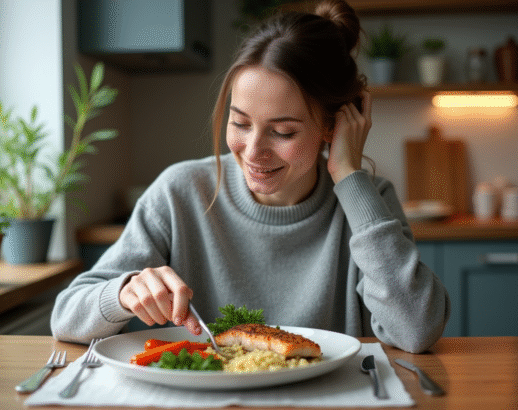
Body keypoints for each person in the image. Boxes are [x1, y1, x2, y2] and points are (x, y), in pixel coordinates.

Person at [51, 0, 450, 354]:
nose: (253, 151)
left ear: (332, 126)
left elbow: (416, 330)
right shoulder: (180, 191)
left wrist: (348, 173)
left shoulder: (368, 201)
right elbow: (66, 315)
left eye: (283, 132)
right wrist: (123, 293)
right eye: (240, 123)